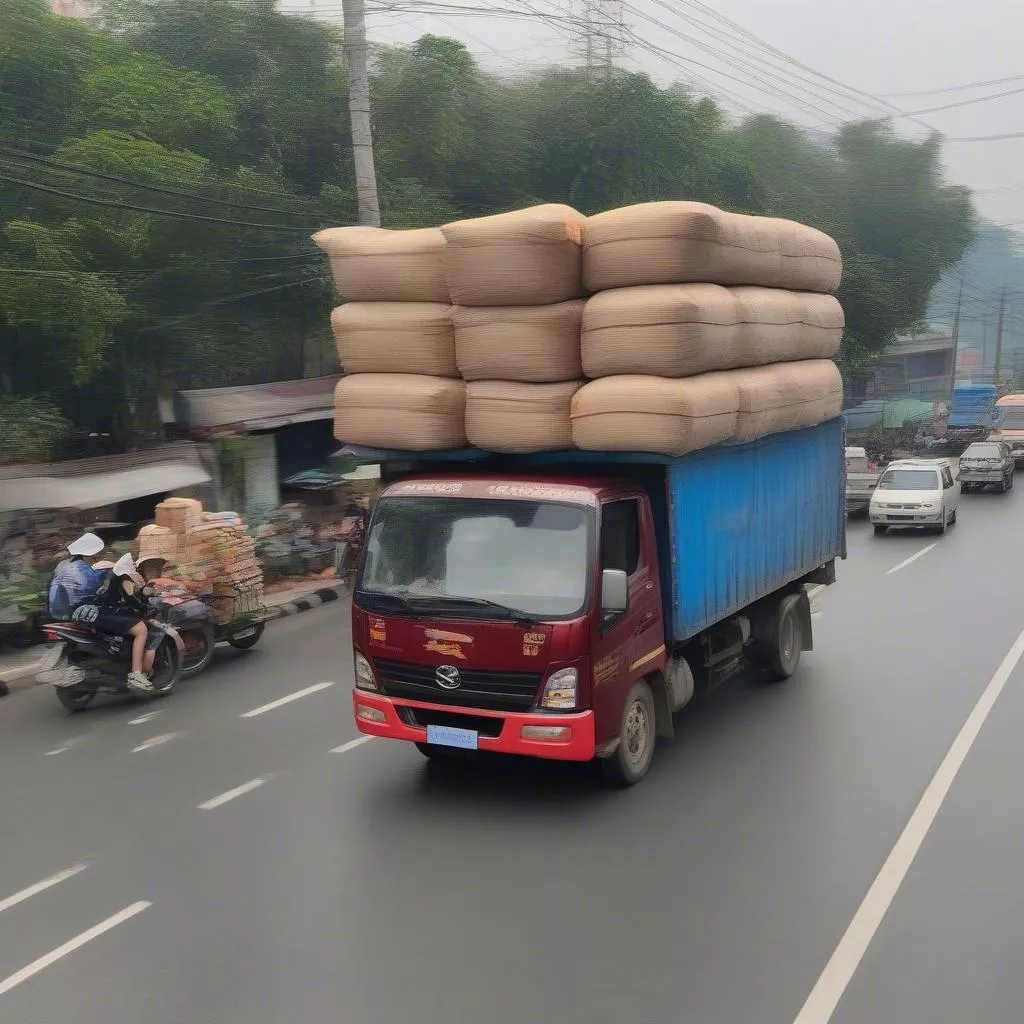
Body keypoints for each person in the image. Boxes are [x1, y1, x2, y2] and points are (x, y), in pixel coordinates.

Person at [73, 553, 155, 693]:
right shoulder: (123, 578)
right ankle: (136, 674)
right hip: (106, 615)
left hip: (92, 614)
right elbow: (130, 599)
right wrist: (144, 609)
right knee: (141, 630)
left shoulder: (106, 577)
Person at [47, 533, 107, 620]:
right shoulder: (81, 569)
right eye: (97, 557)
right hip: (75, 614)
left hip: (58, 614)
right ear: (87, 556)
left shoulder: (64, 563)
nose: (99, 559)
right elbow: (92, 585)